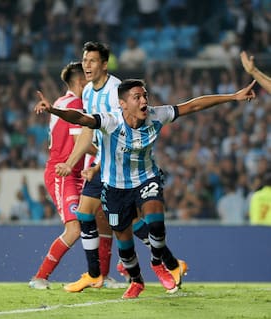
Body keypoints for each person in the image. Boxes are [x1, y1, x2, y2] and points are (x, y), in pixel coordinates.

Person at [35, 78, 256, 298]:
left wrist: (233, 96)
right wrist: (55, 110)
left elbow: (193, 105)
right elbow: (80, 118)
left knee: (156, 221)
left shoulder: (156, 115)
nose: (144, 101)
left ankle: (157, 263)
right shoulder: (111, 121)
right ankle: (137, 281)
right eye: (137, 97)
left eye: (145, 96)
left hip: (146, 179)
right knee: (125, 243)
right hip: (115, 189)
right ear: (123, 104)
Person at [53, 41, 187, 293]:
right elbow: (89, 128)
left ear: (104, 64)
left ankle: (157, 266)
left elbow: (122, 134)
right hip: (102, 162)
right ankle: (165, 264)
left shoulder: (116, 90)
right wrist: (76, 162)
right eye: (84, 60)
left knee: (121, 222)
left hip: (117, 166)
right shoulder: (90, 92)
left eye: (91, 61)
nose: (86, 65)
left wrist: (96, 164)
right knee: (101, 217)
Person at [28, 61, 100, 289]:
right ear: (81, 81)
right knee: (75, 229)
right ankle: (40, 277)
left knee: (97, 219)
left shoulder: (61, 102)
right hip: (62, 173)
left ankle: (101, 274)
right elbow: (80, 142)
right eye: (88, 78)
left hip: (73, 172)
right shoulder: (77, 104)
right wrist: (107, 152)